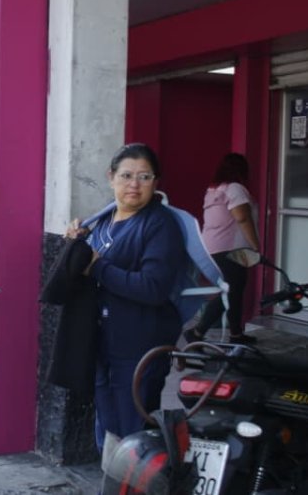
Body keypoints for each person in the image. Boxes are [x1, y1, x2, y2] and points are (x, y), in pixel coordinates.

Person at [64, 143, 186, 452]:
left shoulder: (159, 224)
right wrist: (75, 247)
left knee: (133, 428)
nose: (135, 184)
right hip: (101, 339)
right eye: (127, 175)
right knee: (107, 424)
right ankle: (113, 481)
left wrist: (97, 266)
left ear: (156, 182)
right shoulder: (103, 220)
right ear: (111, 177)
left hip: (139, 344)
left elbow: (153, 288)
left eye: (145, 176)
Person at [185, 153, 261, 345]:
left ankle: (236, 334)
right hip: (231, 249)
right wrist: (255, 246)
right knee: (232, 291)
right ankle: (197, 332)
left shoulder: (214, 190)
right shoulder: (235, 189)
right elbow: (242, 217)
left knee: (234, 292)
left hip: (212, 248)